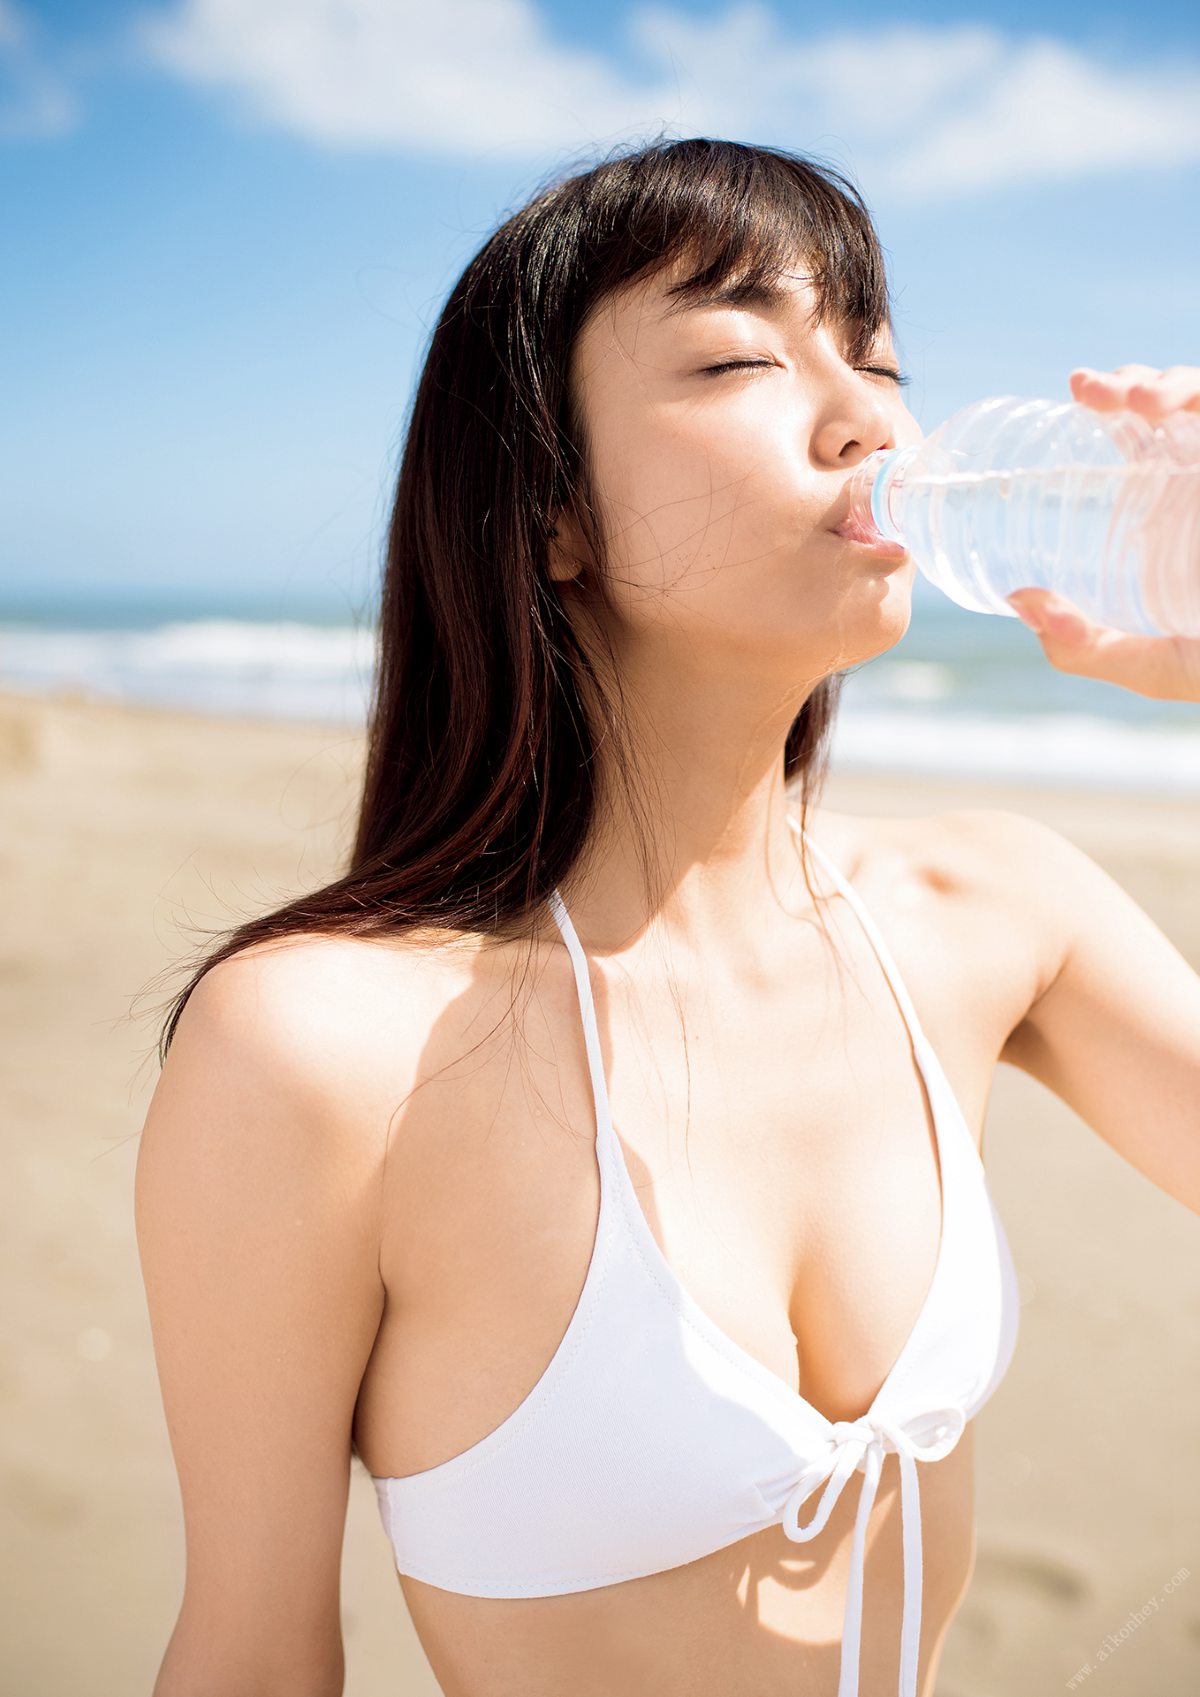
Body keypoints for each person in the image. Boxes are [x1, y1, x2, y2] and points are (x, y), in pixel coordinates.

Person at [134, 138, 1200, 1697]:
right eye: (739, 356)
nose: (870, 415)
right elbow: (251, 1653)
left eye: (879, 355)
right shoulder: (319, 1048)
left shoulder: (991, 911)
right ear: (552, 514)